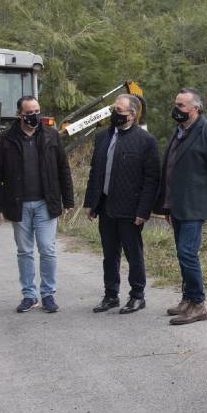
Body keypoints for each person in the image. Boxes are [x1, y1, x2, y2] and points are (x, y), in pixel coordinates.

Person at [0, 96, 74, 313]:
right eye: (30, 112)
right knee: (25, 250)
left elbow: (63, 168)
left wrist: (68, 199)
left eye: (37, 110)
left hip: (46, 202)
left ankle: (48, 294)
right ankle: (29, 295)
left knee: (47, 248)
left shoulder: (51, 135)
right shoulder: (6, 138)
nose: (35, 115)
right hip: (19, 203)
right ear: (20, 114)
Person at [153, 88, 207, 325]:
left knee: (187, 253)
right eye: (176, 104)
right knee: (181, 253)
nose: (177, 109)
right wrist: (165, 205)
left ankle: (198, 304)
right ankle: (187, 299)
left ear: (195, 109)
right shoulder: (179, 132)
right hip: (176, 205)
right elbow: (170, 168)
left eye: (182, 106)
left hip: (195, 205)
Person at [83, 95, 160, 314]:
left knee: (133, 254)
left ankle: (137, 295)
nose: (114, 113)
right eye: (113, 108)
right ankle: (110, 295)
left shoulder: (146, 141)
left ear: (132, 115)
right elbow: (95, 172)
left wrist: (143, 211)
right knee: (109, 254)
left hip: (130, 209)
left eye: (118, 110)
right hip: (106, 205)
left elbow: (152, 179)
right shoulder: (102, 137)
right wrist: (90, 202)